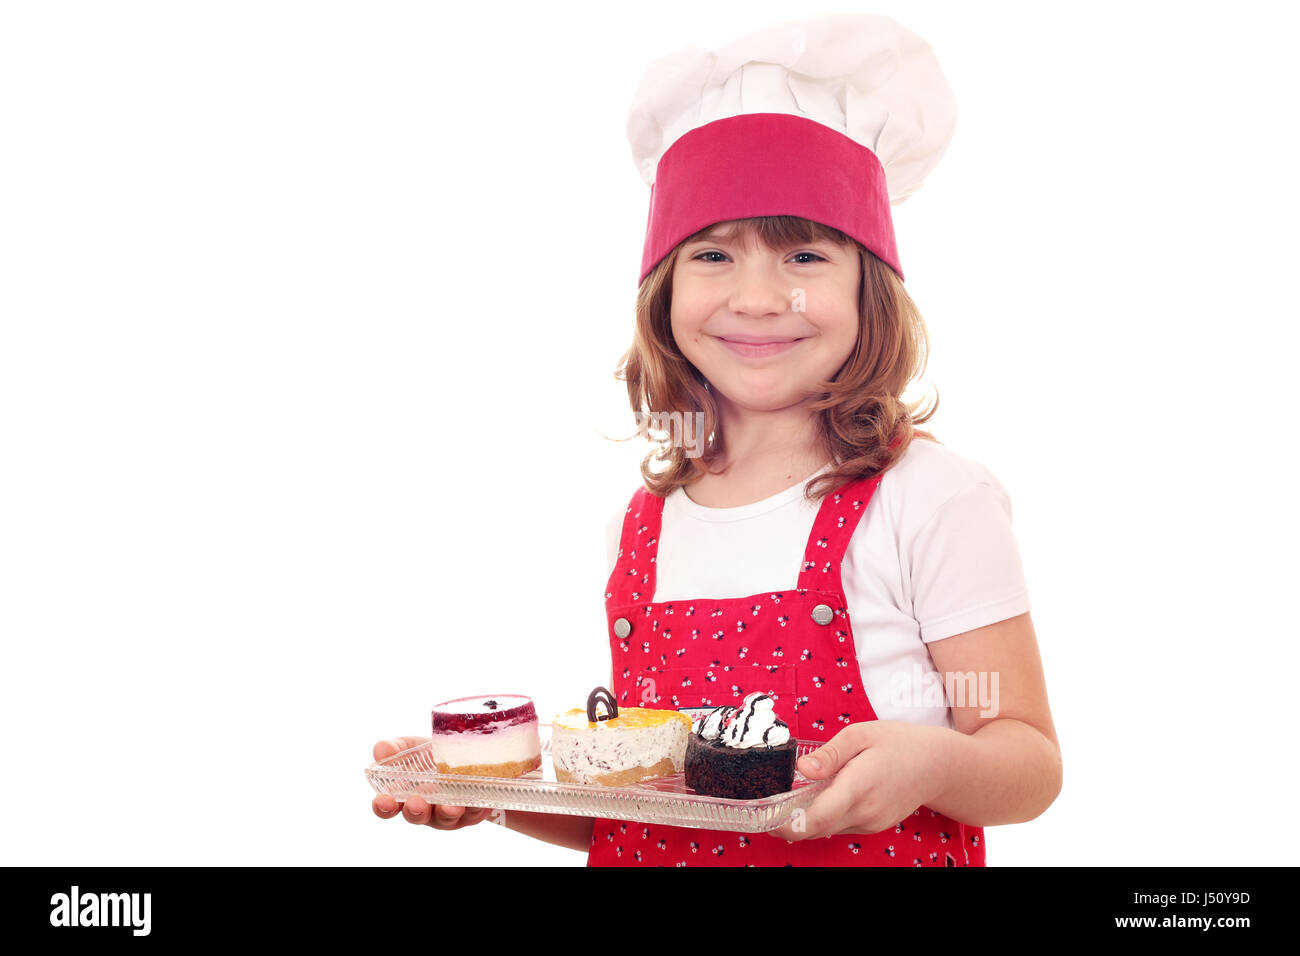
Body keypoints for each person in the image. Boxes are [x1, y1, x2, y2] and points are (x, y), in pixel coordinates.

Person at [372, 11, 1061, 866]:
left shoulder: (928, 496)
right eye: (712, 255)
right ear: (662, 290)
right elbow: (654, 810)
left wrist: (932, 763)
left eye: (805, 257)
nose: (760, 298)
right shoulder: (648, 519)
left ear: (869, 289)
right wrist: (488, 797)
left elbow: (1028, 760)